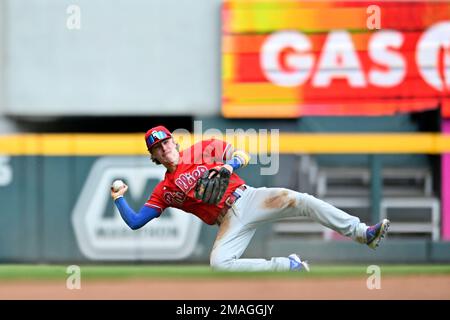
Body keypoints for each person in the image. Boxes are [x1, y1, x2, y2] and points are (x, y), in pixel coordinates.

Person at [111, 125, 390, 272]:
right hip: (228, 221)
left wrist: (229, 166)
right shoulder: (164, 191)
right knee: (219, 265)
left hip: (249, 198)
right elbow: (136, 222)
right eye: (158, 148)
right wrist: (119, 199)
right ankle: (289, 265)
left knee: (301, 200)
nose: (164, 148)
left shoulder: (203, 148)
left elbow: (242, 154)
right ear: (154, 157)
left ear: (175, 141)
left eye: (166, 142)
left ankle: (363, 233)